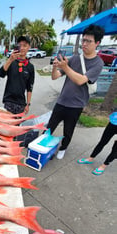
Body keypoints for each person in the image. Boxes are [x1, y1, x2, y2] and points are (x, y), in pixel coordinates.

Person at [47, 24, 105, 159]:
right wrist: (55, 67)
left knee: (68, 130)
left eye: (88, 41)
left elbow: (80, 80)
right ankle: (44, 146)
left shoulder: (98, 63)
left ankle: (63, 148)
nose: (84, 44)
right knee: (49, 128)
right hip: (61, 101)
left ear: (97, 43)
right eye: (83, 40)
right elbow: (55, 77)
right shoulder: (74, 58)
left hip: (76, 105)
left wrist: (66, 67)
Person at [0, 35, 35, 115]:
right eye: (20, 45)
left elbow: (30, 87)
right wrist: (10, 60)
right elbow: (1, 74)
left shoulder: (30, 67)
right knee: (7, 126)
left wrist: (28, 104)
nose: (22, 48)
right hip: (9, 102)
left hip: (21, 103)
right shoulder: (11, 62)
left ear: (29, 47)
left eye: (24, 45)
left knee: (18, 126)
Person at [77, 111, 117, 175]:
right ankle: (90, 159)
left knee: (115, 149)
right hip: (114, 122)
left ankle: (104, 165)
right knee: (102, 142)